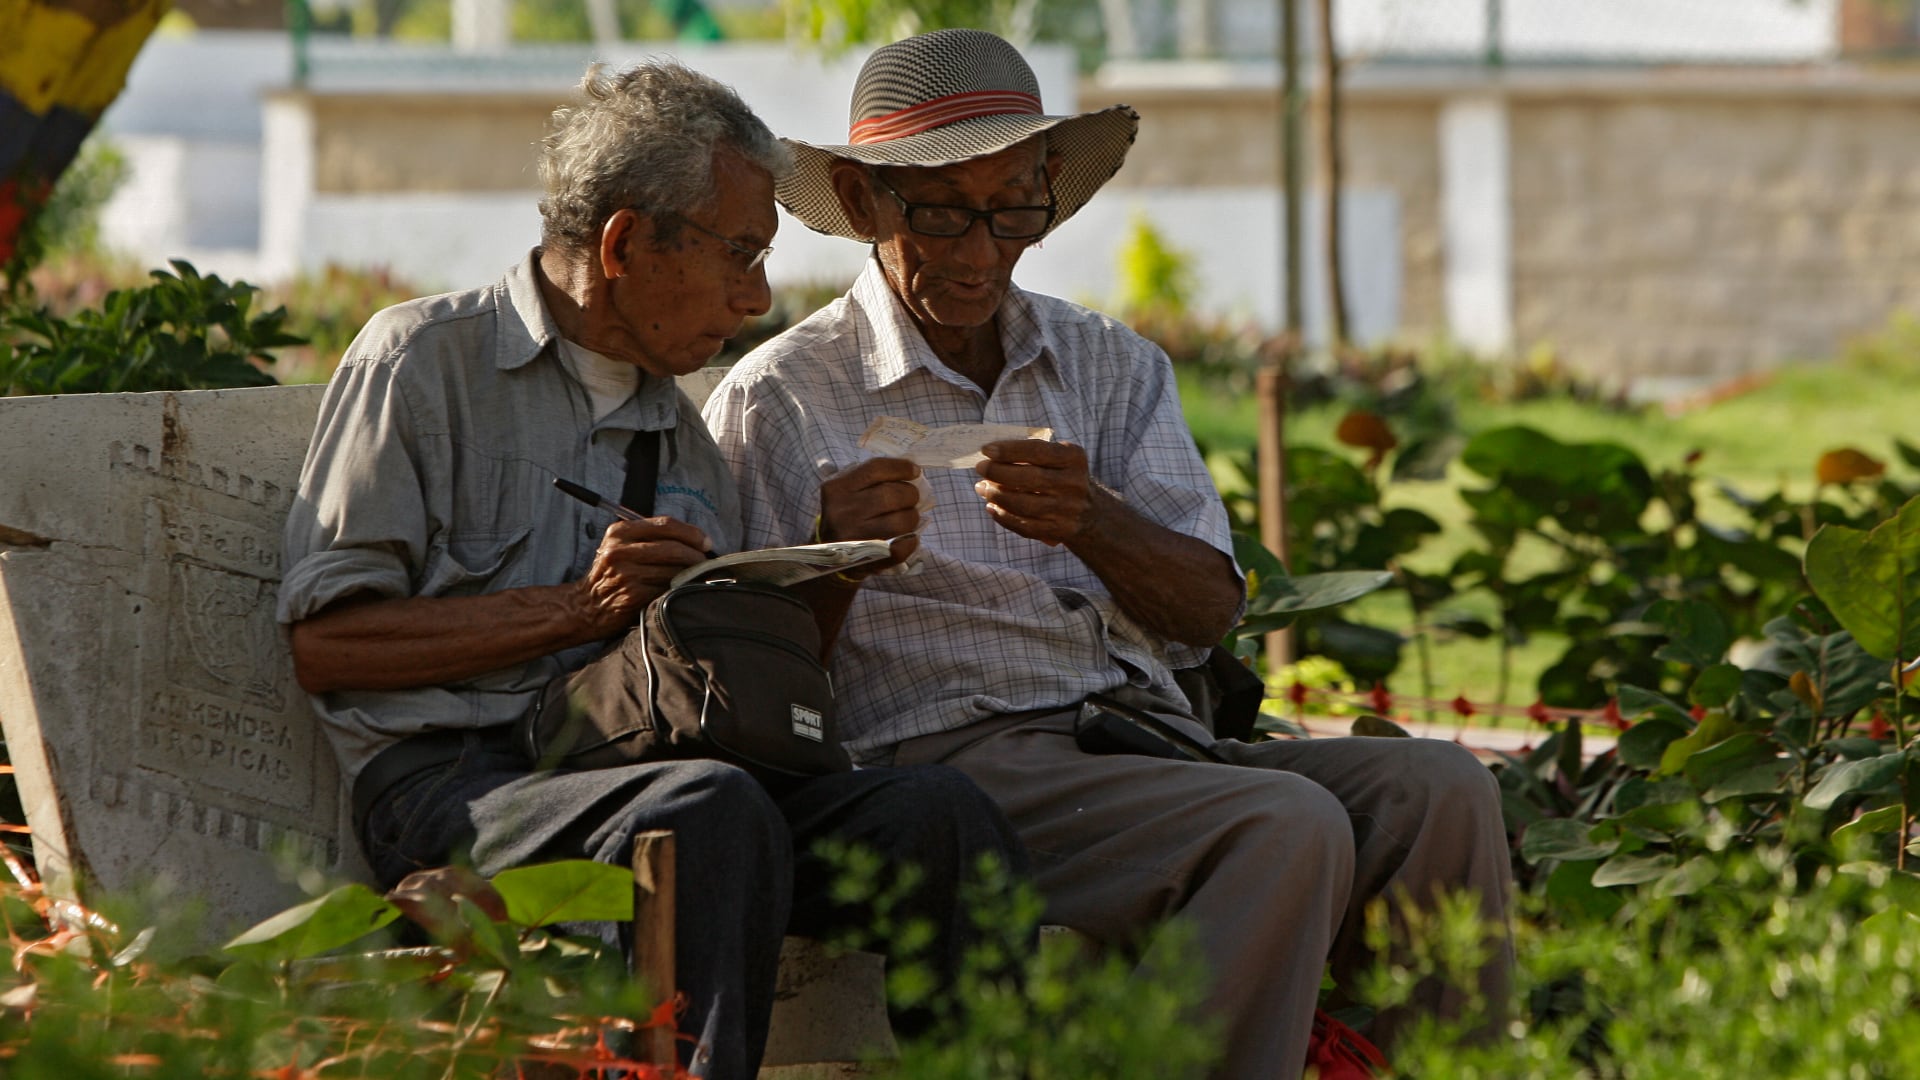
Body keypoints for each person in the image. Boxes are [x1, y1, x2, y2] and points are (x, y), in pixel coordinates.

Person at [703, 28, 1515, 1078]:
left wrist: (1097, 520)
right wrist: (834, 560)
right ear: (862, 203)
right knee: (1286, 824)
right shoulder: (777, 397)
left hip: (1140, 744)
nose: (978, 249)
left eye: (1013, 210)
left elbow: (1209, 612)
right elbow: (748, 702)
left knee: (1441, 791)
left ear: (1049, 192)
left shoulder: (1111, 366)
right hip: (949, 767)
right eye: (940, 211)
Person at [277, 60, 1024, 1080]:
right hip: (455, 794)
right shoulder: (423, 362)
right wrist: (576, 608)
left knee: (940, 816)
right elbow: (327, 646)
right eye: (740, 254)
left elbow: (698, 680)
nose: (757, 297)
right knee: (706, 810)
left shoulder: (681, 432)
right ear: (626, 243)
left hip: (639, 768)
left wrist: (826, 569)